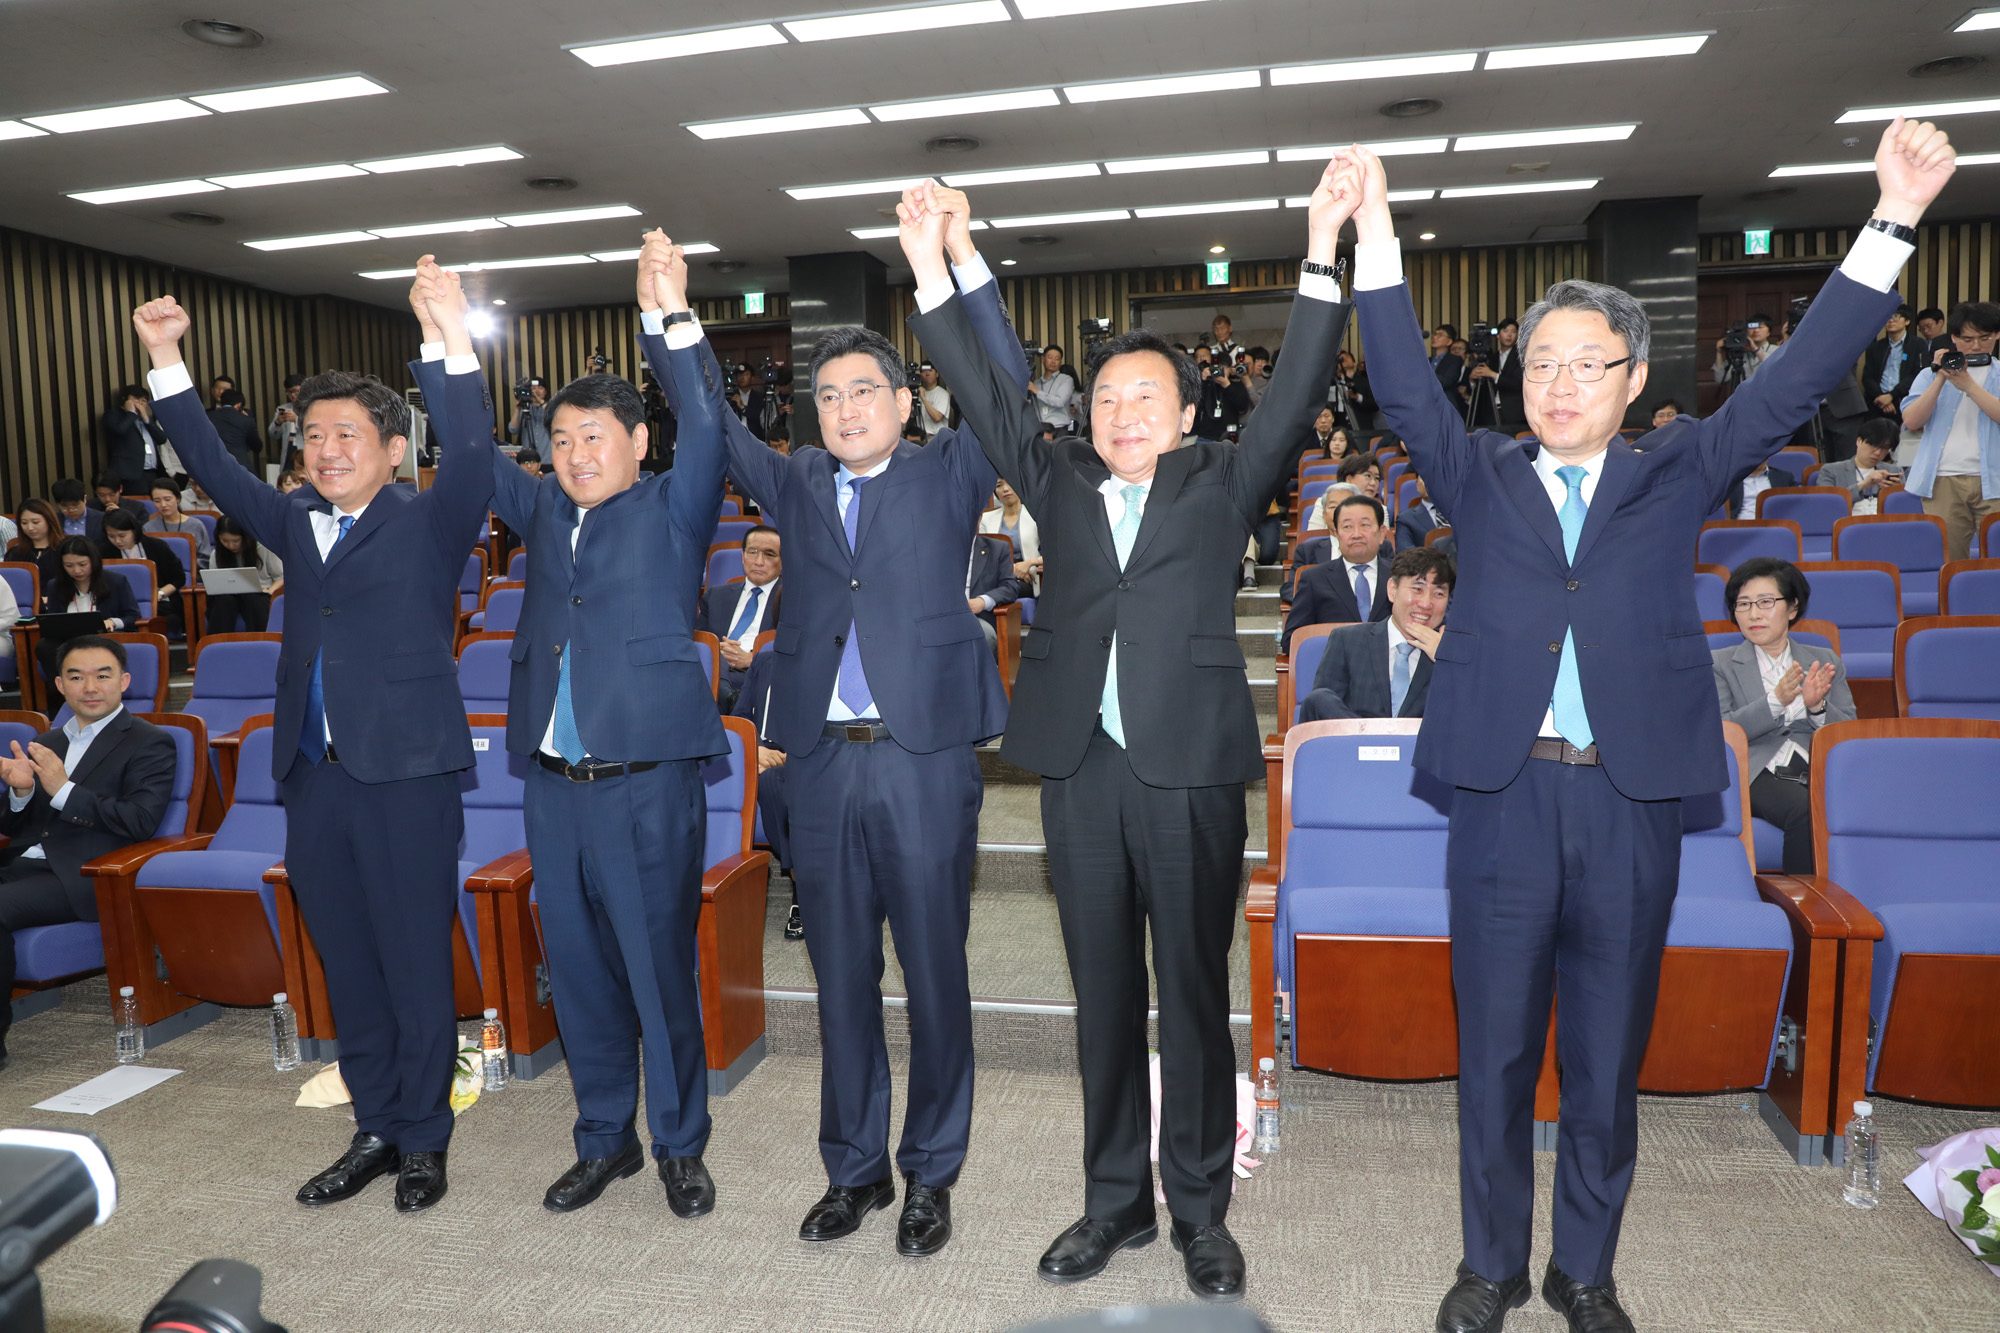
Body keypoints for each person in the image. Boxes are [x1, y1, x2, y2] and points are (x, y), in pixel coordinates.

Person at [1335, 118, 1951, 1333]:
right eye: (1539, 363)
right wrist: (1374, 234)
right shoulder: (1477, 474)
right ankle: (1487, 1265)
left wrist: (1888, 224)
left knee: (1606, 1059)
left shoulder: (1678, 467)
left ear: (1629, 379)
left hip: (1629, 803)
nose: (1556, 385)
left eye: (1584, 363)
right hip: (1502, 800)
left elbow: (1785, 382)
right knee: (1496, 1055)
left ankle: (1585, 1270)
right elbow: (1401, 380)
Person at [905, 162, 1352, 1304]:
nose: (1121, 415)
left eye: (1144, 400)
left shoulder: (1221, 479)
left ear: (1188, 414)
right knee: (1100, 990)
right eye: (1106, 400)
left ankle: (1198, 1206)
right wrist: (937, 261)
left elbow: (1299, 382)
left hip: (1190, 771)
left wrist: (1317, 251)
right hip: (1078, 771)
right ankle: (1113, 1202)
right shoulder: (1054, 477)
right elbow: (986, 381)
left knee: (1193, 989)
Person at [659, 192, 1015, 1263]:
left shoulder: (950, 469)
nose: (845, 406)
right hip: (815, 766)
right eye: (826, 394)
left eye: (865, 390)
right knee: (842, 974)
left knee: (934, 975)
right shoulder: (798, 479)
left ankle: (930, 1173)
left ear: (904, 403)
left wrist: (950, 259)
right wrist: (678, 319)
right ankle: (852, 1168)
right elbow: (711, 423)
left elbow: (1000, 388)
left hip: (919, 761)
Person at [133, 277, 494, 1216]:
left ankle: (425, 1135)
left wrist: (451, 335)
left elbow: (475, 454)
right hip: (312, 775)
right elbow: (213, 469)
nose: (326, 451)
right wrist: (167, 361)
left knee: (414, 955)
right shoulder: (293, 520)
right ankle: (375, 1122)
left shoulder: (433, 519)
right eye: (313, 436)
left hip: (408, 774)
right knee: (344, 952)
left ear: (393, 450)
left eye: (348, 436)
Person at [411, 241, 727, 1222]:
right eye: (563, 439)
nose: (578, 454)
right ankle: (606, 1141)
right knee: (580, 970)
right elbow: (466, 456)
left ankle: (679, 1143)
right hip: (554, 784)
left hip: (646, 782)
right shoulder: (543, 510)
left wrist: (668, 316)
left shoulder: (676, 506)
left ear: (637, 442)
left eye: (597, 436)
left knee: (655, 965)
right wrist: (450, 341)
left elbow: (707, 421)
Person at [0, 636, 177, 1064]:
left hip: (85, 874)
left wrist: (63, 790)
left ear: (125, 681)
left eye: (103, 675)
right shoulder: (48, 740)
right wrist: (21, 793)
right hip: (25, 864)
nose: (90, 687)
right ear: (60, 685)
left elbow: (139, 821)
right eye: (77, 677)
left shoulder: (150, 742)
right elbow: (15, 826)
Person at [1713, 558, 1857, 875]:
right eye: (1743, 604)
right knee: (1806, 810)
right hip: (1754, 768)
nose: (1753, 614)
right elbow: (1721, 732)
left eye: (1765, 602)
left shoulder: (1823, 659)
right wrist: (1776, 702)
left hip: (1815, 765)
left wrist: (1817, 707)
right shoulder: (1718, 664)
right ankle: (1805, 907)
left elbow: (1848, 733)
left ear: (1792, 608)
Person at [1299, 545, 1452, 721]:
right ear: (1392, 590)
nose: (1426, 603)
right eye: (1417, 589)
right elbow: (1321, 710)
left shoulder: (1453, 655)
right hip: (1355, 745)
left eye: (1439, 593)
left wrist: (1447, 661)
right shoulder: (1347, 641)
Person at [1900, 299, 2000, 560]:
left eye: (1985, 337)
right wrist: (1940, 376)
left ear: (1997, 335)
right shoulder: (1929, 375)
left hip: (1995, 479)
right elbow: (1912, 421)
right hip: (1942, 480)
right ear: (1953, 338)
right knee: (1950, 561)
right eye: (1967, 339)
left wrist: (1968, 385)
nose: (1976, 345)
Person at [730, 646, 798, 938]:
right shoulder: (765, 659)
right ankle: (804, 884)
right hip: (761, 757)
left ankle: (802, 885)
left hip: (810, 759)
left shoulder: (830, 656)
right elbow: (739, 720)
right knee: (769, 780)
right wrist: (753, 750)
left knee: (774, 782)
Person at [1284, 493, 1392, 651]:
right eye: (1347, 527)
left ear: (1382, 533)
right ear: (1336, 534)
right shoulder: (1314, 579)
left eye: (1365, 525)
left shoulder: (1401, 575)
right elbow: (1292, 639)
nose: (1356, 534)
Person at [696, 526, 782, 714]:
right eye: (753, 552)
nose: (759, 561)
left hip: (759, 678)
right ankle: (729, 698)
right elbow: (698, 642)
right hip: (714, 676)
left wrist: (751, 659)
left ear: (782, 561)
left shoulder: (791, 600)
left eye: (769, 554)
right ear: (743, 555)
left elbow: (797, 652)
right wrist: (716, 655)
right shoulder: (716, 596)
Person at [36, 537, 139, 681]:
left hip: (104, 639)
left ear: (93, 560)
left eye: (82, 564)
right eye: (69, 565)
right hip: (69, 642)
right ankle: (65, 691)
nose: (76, 570)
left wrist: (112, 622)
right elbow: (54, 620)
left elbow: (133, 616)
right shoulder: (55, 586)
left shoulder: (116, 581)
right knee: (45, 646)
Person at [100, 509, 185, 629]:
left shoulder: (157, 546)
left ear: (134, 531)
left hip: (159, 602)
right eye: (111, 536)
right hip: (120, 606)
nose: (117, 541)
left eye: (122, 535)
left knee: (167, 619)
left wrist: (159, 594)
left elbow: (179, 578)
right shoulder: (104, 552)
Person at [205, 516, 281, 634]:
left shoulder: (264, 549)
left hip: (260, 594)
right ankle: (219, 646)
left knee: (255, 601)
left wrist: (270, 590)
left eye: (235, 541)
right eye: (224, 541)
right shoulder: (216, 554)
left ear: (245, 537)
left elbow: (281, 578)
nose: (230, 545)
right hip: (228, 596)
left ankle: (261, 643)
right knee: (223, 602)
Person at [965, 532, 1031, 649]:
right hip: (946, 615)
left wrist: (983, 601)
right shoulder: (940, 548)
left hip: (980, 617)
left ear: (979, 517)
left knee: (982, 634)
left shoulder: (998, 548)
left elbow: (1010, 586)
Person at [1863, 304, 1926, 420]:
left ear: (1907, 321)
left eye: (1896, 316)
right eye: (1887, 317)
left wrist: (1892, 395)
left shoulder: (1918, 344)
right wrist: (1882, 397)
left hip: (1905, 401)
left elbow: (1918, 374)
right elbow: (1867, 377)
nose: (1891, 320)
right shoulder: (1875, 347)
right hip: (1879, 403)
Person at [100, 385, 167, 494]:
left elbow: (162, 439)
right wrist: (131, 413)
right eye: (135, 400)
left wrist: (146, 419)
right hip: (131, 474)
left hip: (153, 473)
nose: (139, 404)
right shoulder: (113, 415)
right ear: (124, 400)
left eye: (143, 401)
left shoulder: (146, 420)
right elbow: (120, 429)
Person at [979, 478, 1040, 590]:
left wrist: (1030, 562)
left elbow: (1053, 553)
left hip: (1030, 576)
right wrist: (1012, 569)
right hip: (996, 575)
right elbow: (982, 556)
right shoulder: (986, 519)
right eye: (999, 486)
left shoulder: (1036, 515)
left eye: (1010, 483)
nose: (1005, 489)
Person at [1467, 319, 1526, 430]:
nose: (1509, 334)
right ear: (1498, 335)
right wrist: (1472, 379)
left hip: (1513, 414)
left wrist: (1492, 374)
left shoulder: (1522, 357)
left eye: (1513, 331)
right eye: (1505, 331)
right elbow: (1482, 389)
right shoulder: (1490, 358)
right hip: (1491, 413)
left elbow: (1518, 383)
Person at [145, 479, 213, 568]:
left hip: (191, 575)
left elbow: (205, 559)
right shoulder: (148, 528)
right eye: (157, 501)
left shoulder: (196, 525)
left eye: (167, 499)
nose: (163, 504)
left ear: (178, 499)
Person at [207, 389, 264, 476]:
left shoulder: (208, 417)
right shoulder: (246, 420)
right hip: (240, 465)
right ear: (239, 405)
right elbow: (257, 446)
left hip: (213, 464)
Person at [6, 500, 64, 584]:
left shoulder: (63, 550)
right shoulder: (14, 554)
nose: (30, 528)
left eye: (35, 522)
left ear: (49, 520)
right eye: (24, 523)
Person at [1713, 313, 1776, 387]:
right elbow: (1720, 378)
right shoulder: (1739, 352)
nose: (1756, 330)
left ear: (1769, 332)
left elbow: (1775, 369)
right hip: (1745, 396)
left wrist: (1755, 349)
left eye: (1760, 327)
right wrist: (1719, 353)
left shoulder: (1777, 350)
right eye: (1751, 327)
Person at [1727, 457, 1799, 520]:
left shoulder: (1784, 477)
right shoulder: (1729, 479)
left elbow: (1797, 506)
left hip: (1774, 528)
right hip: (1739, 528)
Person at [1033, 345, 1079, 435]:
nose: (1053, 361)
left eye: (1057, 359)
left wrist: (1037, 392)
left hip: (1059, 429)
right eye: (1050, 357)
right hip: (1040, 429)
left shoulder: (1066, 380)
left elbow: (1059, 402)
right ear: (1043, 360)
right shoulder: (1036, 383)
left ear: (1060, 362)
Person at [1395, 473, 1449, 551]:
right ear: (1417, 484)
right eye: (1425, 477)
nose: (1429, 482)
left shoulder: (1460, 513)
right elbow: (1405, 554)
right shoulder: (1405, 519)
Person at [48, 480, 105, 547]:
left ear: (85, 499)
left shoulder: (102, 518)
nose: (71, 510)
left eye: (75, 505)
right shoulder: (53, 521)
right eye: (64, 506)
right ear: (57, 504)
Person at [269, 373, 306, 461]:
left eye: (296, 391)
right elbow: (273, 435)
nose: (292, 395)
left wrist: (296, 420)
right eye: (289, 392)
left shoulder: (312, 407)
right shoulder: (283, 408)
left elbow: (314, 429)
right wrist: (278, 423)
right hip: (288, 451)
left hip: (304, 452)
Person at [511, 377, 551, 454]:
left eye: (540, 388)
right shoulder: (524, 408)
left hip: (547, 458)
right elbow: (513, 430)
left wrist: (540, 401)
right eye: (533, 388)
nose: (537, 391)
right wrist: (517, 408)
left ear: (545, 391)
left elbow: (554, 415)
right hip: (528, 458)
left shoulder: (551, 406)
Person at [916, 362, 952, 440]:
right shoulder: (916, 393)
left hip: (936, 437)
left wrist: (924, 399)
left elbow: (937, 417)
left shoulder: (942, 394)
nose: (927, 373)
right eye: (924, 371)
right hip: (920, 438)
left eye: (930, 370)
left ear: (937, 374)